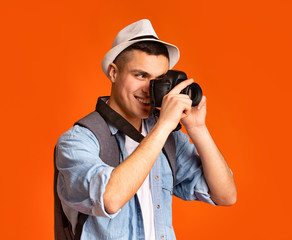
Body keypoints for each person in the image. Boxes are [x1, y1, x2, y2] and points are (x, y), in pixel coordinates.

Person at [55, 19, 236, 240]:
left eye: (158, 80)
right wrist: (163, 126)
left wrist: (197, 128)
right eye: (140, 75)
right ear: (113, 72)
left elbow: (226, 195)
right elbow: (109, 200)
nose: (149, 89)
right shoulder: (77, 141)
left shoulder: (167, 137)